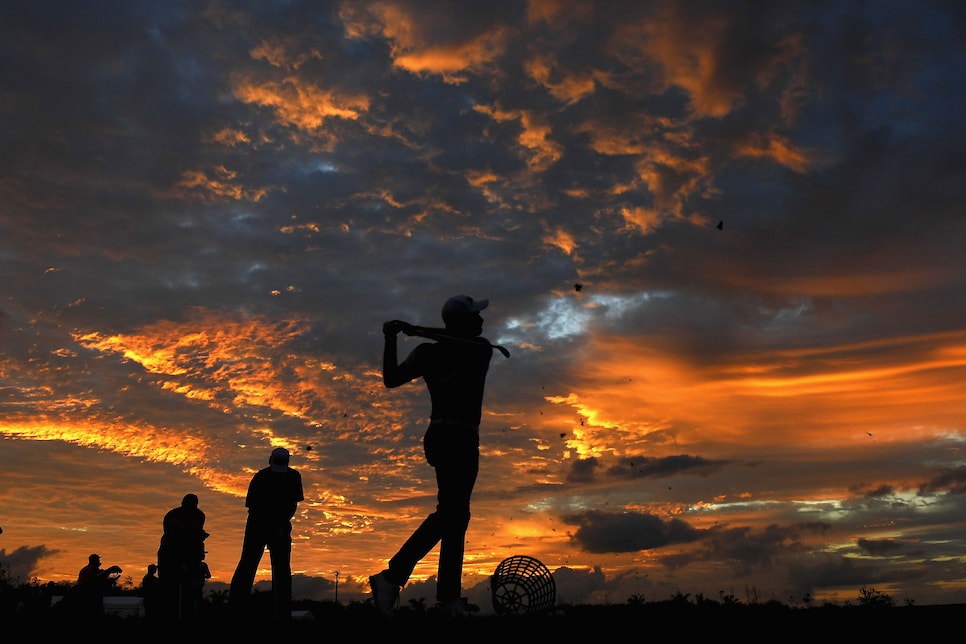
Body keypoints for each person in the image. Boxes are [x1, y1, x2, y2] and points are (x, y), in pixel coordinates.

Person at [369, 294, 496, 618]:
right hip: (451, 436)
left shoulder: (480, 349)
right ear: (462, 321)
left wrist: (415, 329)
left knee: (456, 515)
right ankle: (393, 576)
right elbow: (391, 378)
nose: (481, 320)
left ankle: (448, 597)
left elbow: (459, 341)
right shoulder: (429, 352)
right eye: (475, 315)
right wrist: (391, 339)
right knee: (452, 513)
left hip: (458, 436)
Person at [229, 447, 304, 621]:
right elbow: (256, 507)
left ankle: (281, 614)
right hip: (261, 525)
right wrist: (275, 524)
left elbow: (291, 504)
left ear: (270, 459)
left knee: (277, 569)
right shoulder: (276, 477)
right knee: (251, 565)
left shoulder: (274, 476)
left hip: (273, 526)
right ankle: (236, 611)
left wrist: (278, 524)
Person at [157, 493, 208, 620]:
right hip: (169, 552)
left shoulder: (199, 515)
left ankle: (189, 616)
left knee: (189, 589)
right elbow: (172, 536)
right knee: (169, 589)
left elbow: (195, 534)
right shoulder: (172, 516)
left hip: (189, 552)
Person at [66, 553, 122, 618]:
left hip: (89, 597)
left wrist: (109, 580)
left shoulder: (87, 569)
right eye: (98, 560)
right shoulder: (91, 570)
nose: (99, 562)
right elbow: (94, 581)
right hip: (89, 599)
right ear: (95, 561)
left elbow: (98, 580)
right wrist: (109, 572)